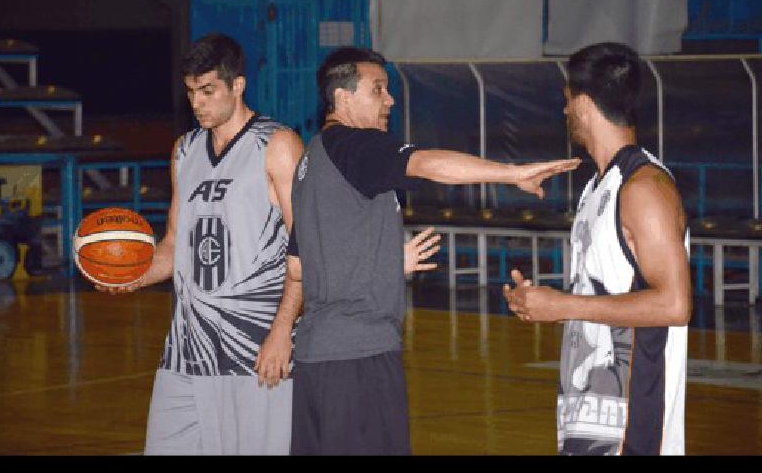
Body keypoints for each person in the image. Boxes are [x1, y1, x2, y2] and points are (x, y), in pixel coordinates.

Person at [93, 34, 442, 455]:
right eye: (190, 93)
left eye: (207, 91)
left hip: (254, 346)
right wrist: (132, 276)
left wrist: (281, 332)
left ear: (237, 86)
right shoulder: (183, 151)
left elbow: (307, 247)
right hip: (186, 349)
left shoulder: (277, 146)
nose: (197, 103)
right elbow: (173, 245)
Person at [256, 46, 581, 455]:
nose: (390, 100)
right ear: (343, 99)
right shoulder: (355, 146)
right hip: (358, 361)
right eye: (378, 90)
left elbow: (301, 265)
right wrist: (511, 173)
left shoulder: (313, 163)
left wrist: (384, 263)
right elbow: (427, 164)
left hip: (318, 362)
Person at [504, 42, 692, 455]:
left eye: (568, 100)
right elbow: (602, 296)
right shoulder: (596, 187)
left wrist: (564, 306)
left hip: (632, 424)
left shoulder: (644, 188)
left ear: (585, 104)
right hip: (590, 413)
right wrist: (542, 304)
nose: (565, 111)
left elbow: (674, 304)